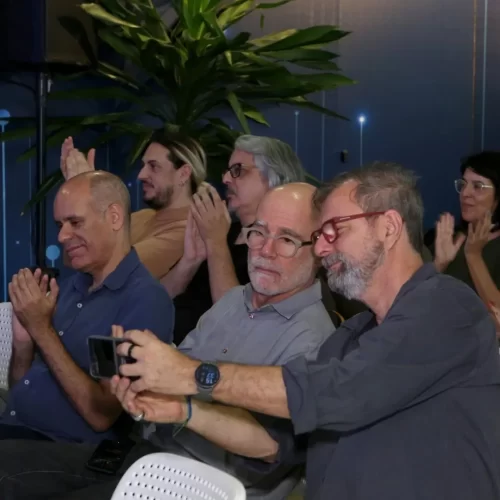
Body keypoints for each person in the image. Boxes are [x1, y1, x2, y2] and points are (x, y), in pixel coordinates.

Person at [117, 163, 500, 500]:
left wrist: (191, 374)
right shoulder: (353, 335)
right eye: (319, 236)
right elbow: (275, 442)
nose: (322, 249)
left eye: (335, 230)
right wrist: (182, 410)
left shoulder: (447, 305)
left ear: (388, 227)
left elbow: (336, 391)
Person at [0, 183, 334, 500]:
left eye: (287, 240)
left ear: (320, 249)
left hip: (194, 483)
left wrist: (182, 407)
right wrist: (141, 378)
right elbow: (173, 373)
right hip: (141, 453)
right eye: (258, 232)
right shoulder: (235, 301)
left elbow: (271, 447)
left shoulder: (313, 339)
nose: (265, 250)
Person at [2, 171, 173, 443]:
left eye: (75, 222)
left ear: (114, 217)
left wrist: (42, 330)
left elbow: (102, 416)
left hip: (67, 450)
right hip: (16, 429)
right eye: (59, 225)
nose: (62, 236)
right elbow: (19, 390)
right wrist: (24, 344)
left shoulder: (145, 300)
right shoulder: (69, 287)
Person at [162, 134, 307, 344]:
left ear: (274, 180)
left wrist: (215, 243)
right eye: (228, 171)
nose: (226, 180)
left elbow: (236, 321)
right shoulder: (224, 230)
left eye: (238, 170)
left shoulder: (278, 249)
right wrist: (190, 260)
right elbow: (157, 299)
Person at [60, 131, 207, 279]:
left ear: (183, 174)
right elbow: (73, 257)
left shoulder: (189, 232)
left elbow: (116, 272)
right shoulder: (143, 216)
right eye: (144, 166)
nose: (141, 175)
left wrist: (86, 196)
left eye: (154, 166)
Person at [432, 151, 500, 328]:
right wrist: (438, 265)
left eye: (478, 186)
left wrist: (473, 255)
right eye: (463, 184)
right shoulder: (449, 238)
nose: (465, 193)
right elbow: (414, 303)